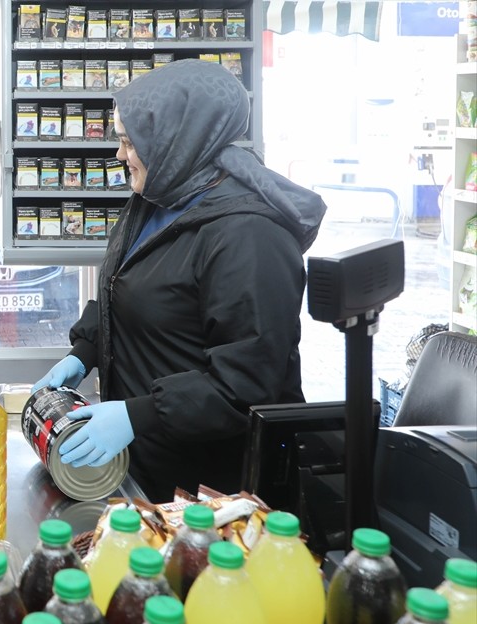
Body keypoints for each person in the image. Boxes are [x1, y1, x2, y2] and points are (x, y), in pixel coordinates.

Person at [32, 58, 326, 501]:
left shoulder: (250, 236)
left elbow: (245, 384)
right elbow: (131, 290)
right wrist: (84, 350)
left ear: (176, 140)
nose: (118, 155)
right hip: (148, 469)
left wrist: (137, 416)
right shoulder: (159, 196)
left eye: (130, 143)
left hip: (213, 491)